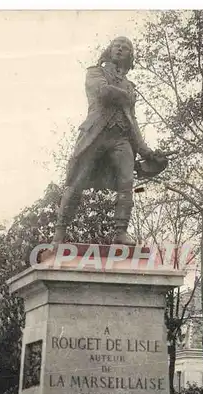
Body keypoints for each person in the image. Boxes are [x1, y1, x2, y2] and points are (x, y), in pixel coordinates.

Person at [53, 36, 159, 246]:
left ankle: (121, 232)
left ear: (130, 56)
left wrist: (146, 152)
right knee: (76, 183)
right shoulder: (95, 72)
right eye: (117, 46)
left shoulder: (130, 86)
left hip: (121, 137)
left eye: (126, 47)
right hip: (96, 134)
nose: (120, 49)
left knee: (127, 183)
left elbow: (132, 120)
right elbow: (103, 92)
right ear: (109, 50)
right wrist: (124, 96)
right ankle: (59, 233)